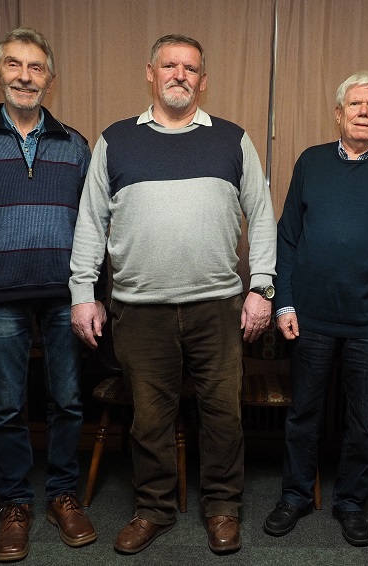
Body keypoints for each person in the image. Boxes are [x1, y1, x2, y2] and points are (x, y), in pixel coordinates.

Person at [69, 34, 276, 555]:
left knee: (222, 415)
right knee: (150, 418)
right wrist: (81, 293)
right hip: (139, 311)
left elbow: (263, 215)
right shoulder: (115, 140)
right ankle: (154, 510)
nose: (179, 74)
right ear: (150, 73)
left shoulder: (233, 140)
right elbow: (90, 222)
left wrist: (262, 287)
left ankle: (224, 508)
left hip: (218, 308)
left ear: (203, 80)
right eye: (170, 65)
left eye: (190, 68)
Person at [0, 27, 100, 563]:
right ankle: (15, 504)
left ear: (49, 79)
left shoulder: (75, 144)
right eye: (15, 65)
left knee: (68, 400)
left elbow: (95, 226)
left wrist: (90, 292)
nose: (25, 76)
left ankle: (62, 495)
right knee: (6, 406)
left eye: (35, 68)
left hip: (64, 294)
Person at [263, 71, 368, 547]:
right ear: (338, 113)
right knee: (303, 415)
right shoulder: (311, 163)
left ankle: (351, 503)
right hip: (310, 318)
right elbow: (288, 237)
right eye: (354, 104)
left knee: (363, 420)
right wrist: (284, 301)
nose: (362, 112)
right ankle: (294, 497)